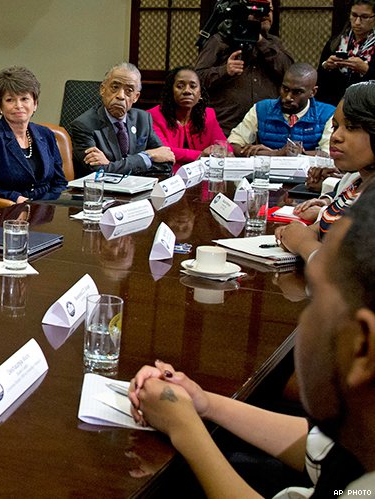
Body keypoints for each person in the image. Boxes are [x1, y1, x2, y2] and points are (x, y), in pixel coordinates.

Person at [128, 186, 375, 496]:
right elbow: (320, 451)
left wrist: (184, 428)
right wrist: (203, 402)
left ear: (363, 345)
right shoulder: (362, 438)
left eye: (316, 294)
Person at [275, 81, 375, 261]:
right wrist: (297, 233)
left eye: (351, 127)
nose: (335, 137)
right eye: (335, 127)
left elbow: (347, 270)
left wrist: (303, 244)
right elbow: (322, 226)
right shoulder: (353, 180)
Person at [196, 0, 294, 136]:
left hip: (266, 128)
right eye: (257, 8)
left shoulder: (274, 44)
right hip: (226, 127)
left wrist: (261, 42)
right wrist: (224, 71)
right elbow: (197, 79)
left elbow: (291, 73)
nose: (265, 13)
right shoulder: (220, 40)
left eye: (269, 9)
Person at [0, 66, 67, 202]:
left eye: (24, 99)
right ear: (0, 107)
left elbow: (59, 182)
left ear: (35, 103)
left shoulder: (46, 134)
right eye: (10, 100)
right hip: (8, 211)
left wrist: (53, 207)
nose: (18, 105)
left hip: (47, 210)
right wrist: (13, 197)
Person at [70, 62, 174, 178]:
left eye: (129, 90)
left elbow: (166, 163)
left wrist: (110, 166)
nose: (121, 96)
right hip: (100, 193)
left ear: (136, 97)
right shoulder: (83, 125)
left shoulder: (143, 119)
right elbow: (98, 172)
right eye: (115, 87)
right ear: (103, 90)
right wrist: (147, 156)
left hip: (138, 191)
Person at [227, 63, 335, 156]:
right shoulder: (262, 109)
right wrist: (274, 154)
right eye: (285, 89)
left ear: (313, 92)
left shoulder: (327, 114)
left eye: (297, 92)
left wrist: (298, 154)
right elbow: (232, 144)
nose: (288, 97)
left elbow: (329, 154)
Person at [148, 66, 229, 169]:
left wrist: (221, 151)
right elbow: (164, 151)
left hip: (202, 177)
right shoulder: (153, 116)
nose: (187, 91)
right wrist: (202, 155)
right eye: (180, 86)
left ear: (200, 93)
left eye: (193, 86)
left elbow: (224, 147)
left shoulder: (208, 115)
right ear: (171, 91)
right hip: (167, 176)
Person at [317, 0, 375, 106]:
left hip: (366, 108)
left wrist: (367, 70)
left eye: (365, 17)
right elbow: (319, 82)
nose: (357, 22)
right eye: (354, 15)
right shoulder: (336, 41)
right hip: (333, 105)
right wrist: (326, 66)